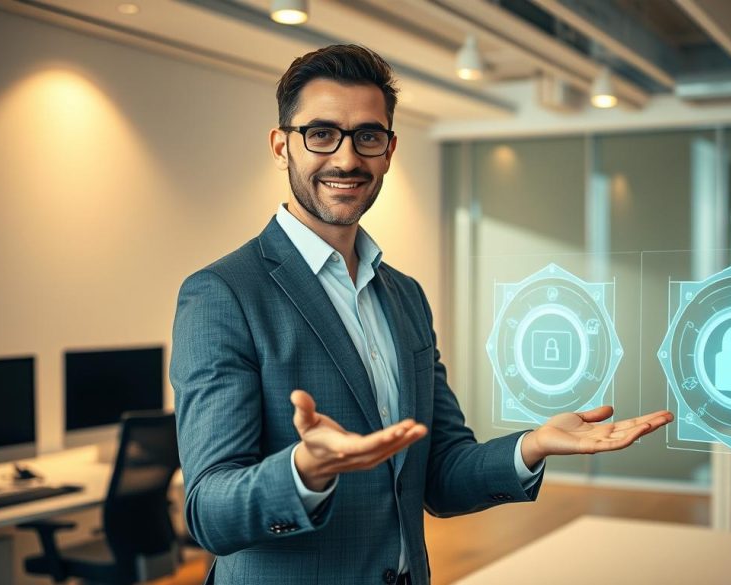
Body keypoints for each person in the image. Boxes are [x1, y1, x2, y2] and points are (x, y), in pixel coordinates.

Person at [170, 44, 673, 585]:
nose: (346, 158)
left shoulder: (404, 295)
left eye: (367, 135)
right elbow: (208, 514)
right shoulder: (222, 293)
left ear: (388, 149)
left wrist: (533, 446)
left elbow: (439, 474)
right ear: (280, 146)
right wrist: (304, 472)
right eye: (321, 134)